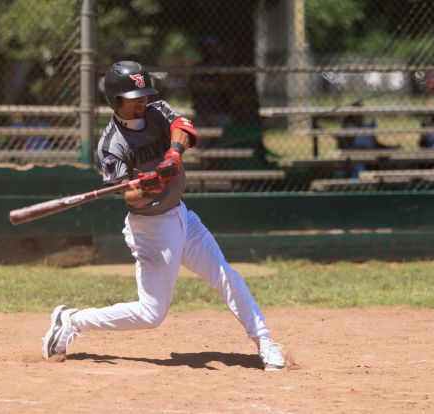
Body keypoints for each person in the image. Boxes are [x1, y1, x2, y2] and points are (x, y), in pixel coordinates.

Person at [41, 61, 286, 372]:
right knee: (151, 314)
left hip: (182, 215)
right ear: (116, 100)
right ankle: (73, 320)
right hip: (151, 228)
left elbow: (183, 127)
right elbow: (130, 198)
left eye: (145, 93)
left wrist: (173, 155)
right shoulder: (111, 146)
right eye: (135, 96)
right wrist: (152, 183)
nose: (143, 100)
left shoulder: (156, 110)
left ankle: (265, 342)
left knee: (225, 276)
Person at [188, 36, 232, 148]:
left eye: (214, 47)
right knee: (201, 142)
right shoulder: (199, 66)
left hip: (221, 110)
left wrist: (208, 86)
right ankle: (204, 164)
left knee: (223, 142)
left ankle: (220, 164)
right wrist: (215, 86)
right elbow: (194, 84)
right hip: (202, 110)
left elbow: (226, 86)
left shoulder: (223, 66)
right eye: (208, 47)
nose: (211, 50)